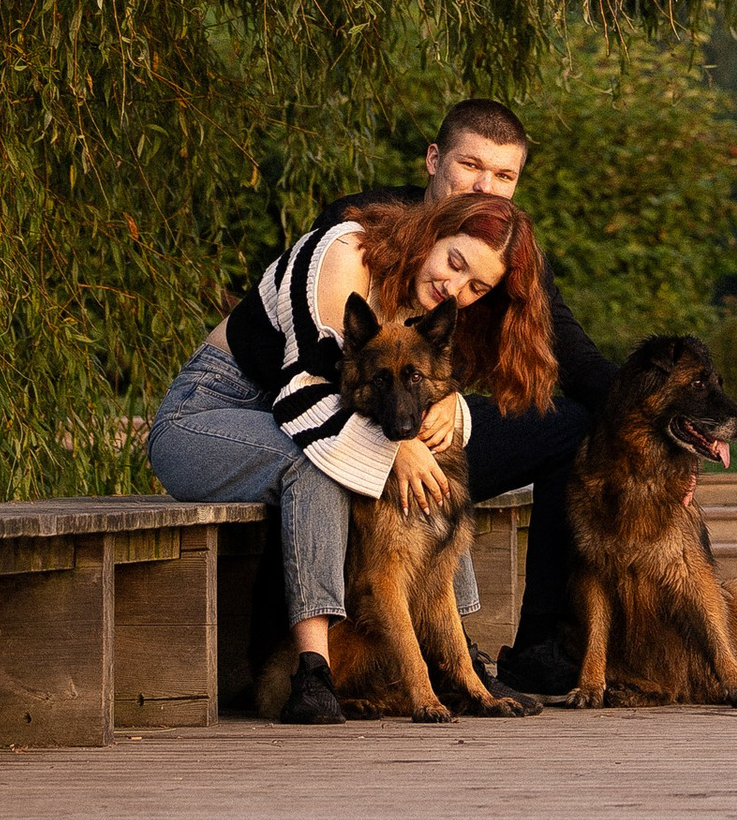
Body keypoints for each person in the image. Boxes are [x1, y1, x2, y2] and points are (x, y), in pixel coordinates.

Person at [146, 184, 560, 722]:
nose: (455, 285)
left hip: (279, 418)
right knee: (313, 465)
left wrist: (448, 409)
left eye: (477, 284)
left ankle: (457, 661)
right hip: (205, 415)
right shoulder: (346, 253)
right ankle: (313, 672)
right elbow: (305, 393)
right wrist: (399, 451)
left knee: (437, 465)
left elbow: (417, 382)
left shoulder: (421, 300)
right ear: (432, 232)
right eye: (455, 262)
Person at [333, 99, 610, 700]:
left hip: (429, 415)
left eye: (504, 176)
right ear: (434, 160)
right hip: (350, 417)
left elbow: (577, 358)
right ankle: (409, 657)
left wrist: (667, 429)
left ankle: (539, 646)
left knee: (577, 424)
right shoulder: (363, 226)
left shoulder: (508, 251)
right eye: (471, 166)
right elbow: (314, 367)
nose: (486, 187)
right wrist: (398, 446)